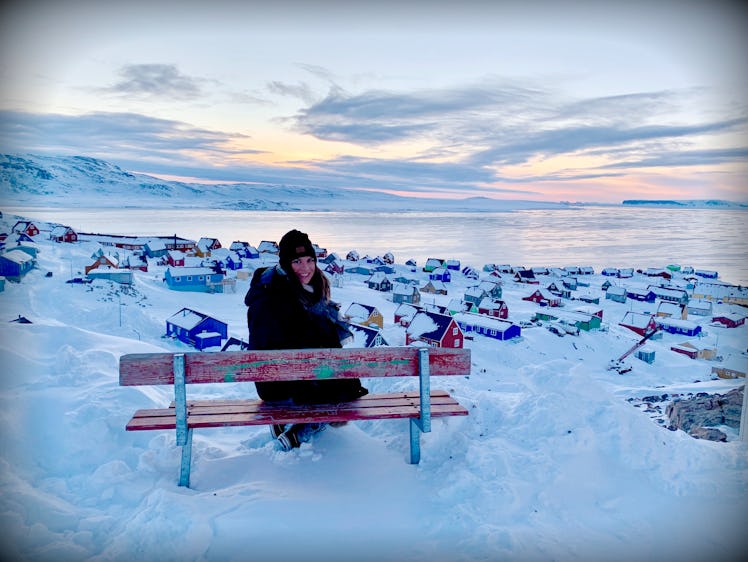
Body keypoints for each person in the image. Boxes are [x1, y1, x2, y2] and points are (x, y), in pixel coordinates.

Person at [244, 229, 368, 450]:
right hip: (277, 383)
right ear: (284, 262)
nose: (306, 268)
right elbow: (272, 345)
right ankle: (303, 428)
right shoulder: (272, 298)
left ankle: (284, 422)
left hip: (292, 375)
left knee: (345, 381)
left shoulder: (301, 289)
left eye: (310, 260)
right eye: (297, 261)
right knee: (345, 391)